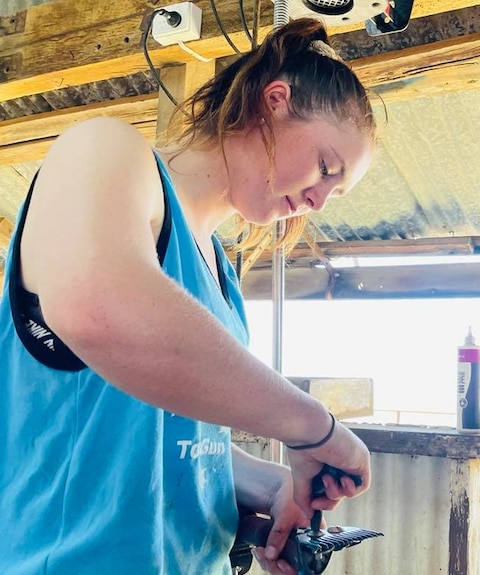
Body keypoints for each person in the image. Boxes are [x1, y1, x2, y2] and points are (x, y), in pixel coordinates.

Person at [0, 17, 375, 575]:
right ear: (275, 101)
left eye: (335, 192)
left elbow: (164, 440)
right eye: (326, 167)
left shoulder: (219, 272)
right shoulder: (104, 150)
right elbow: (97, 308)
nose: (320, 201)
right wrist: (311, 426)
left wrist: (267, 489)